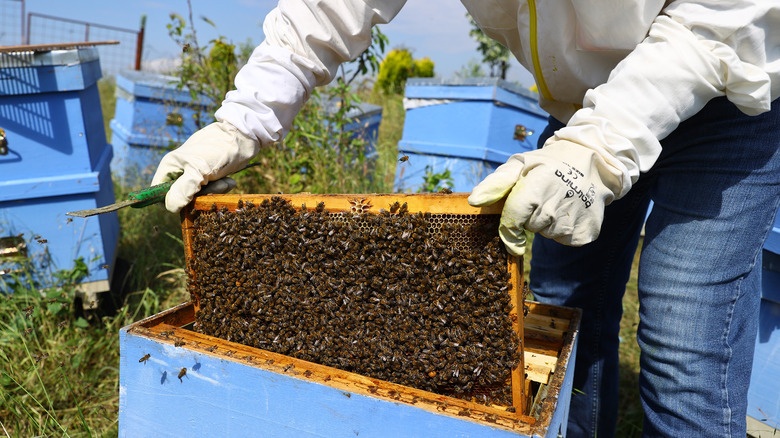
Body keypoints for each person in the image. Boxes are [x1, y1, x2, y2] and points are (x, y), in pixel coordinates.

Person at [152, 1, 780, 436]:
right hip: (582, 105)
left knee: (683, 342)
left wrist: (598, 149)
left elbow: (723, 18)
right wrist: (243, 121)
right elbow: (326, 12)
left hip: (726, 88)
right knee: (566, 311)